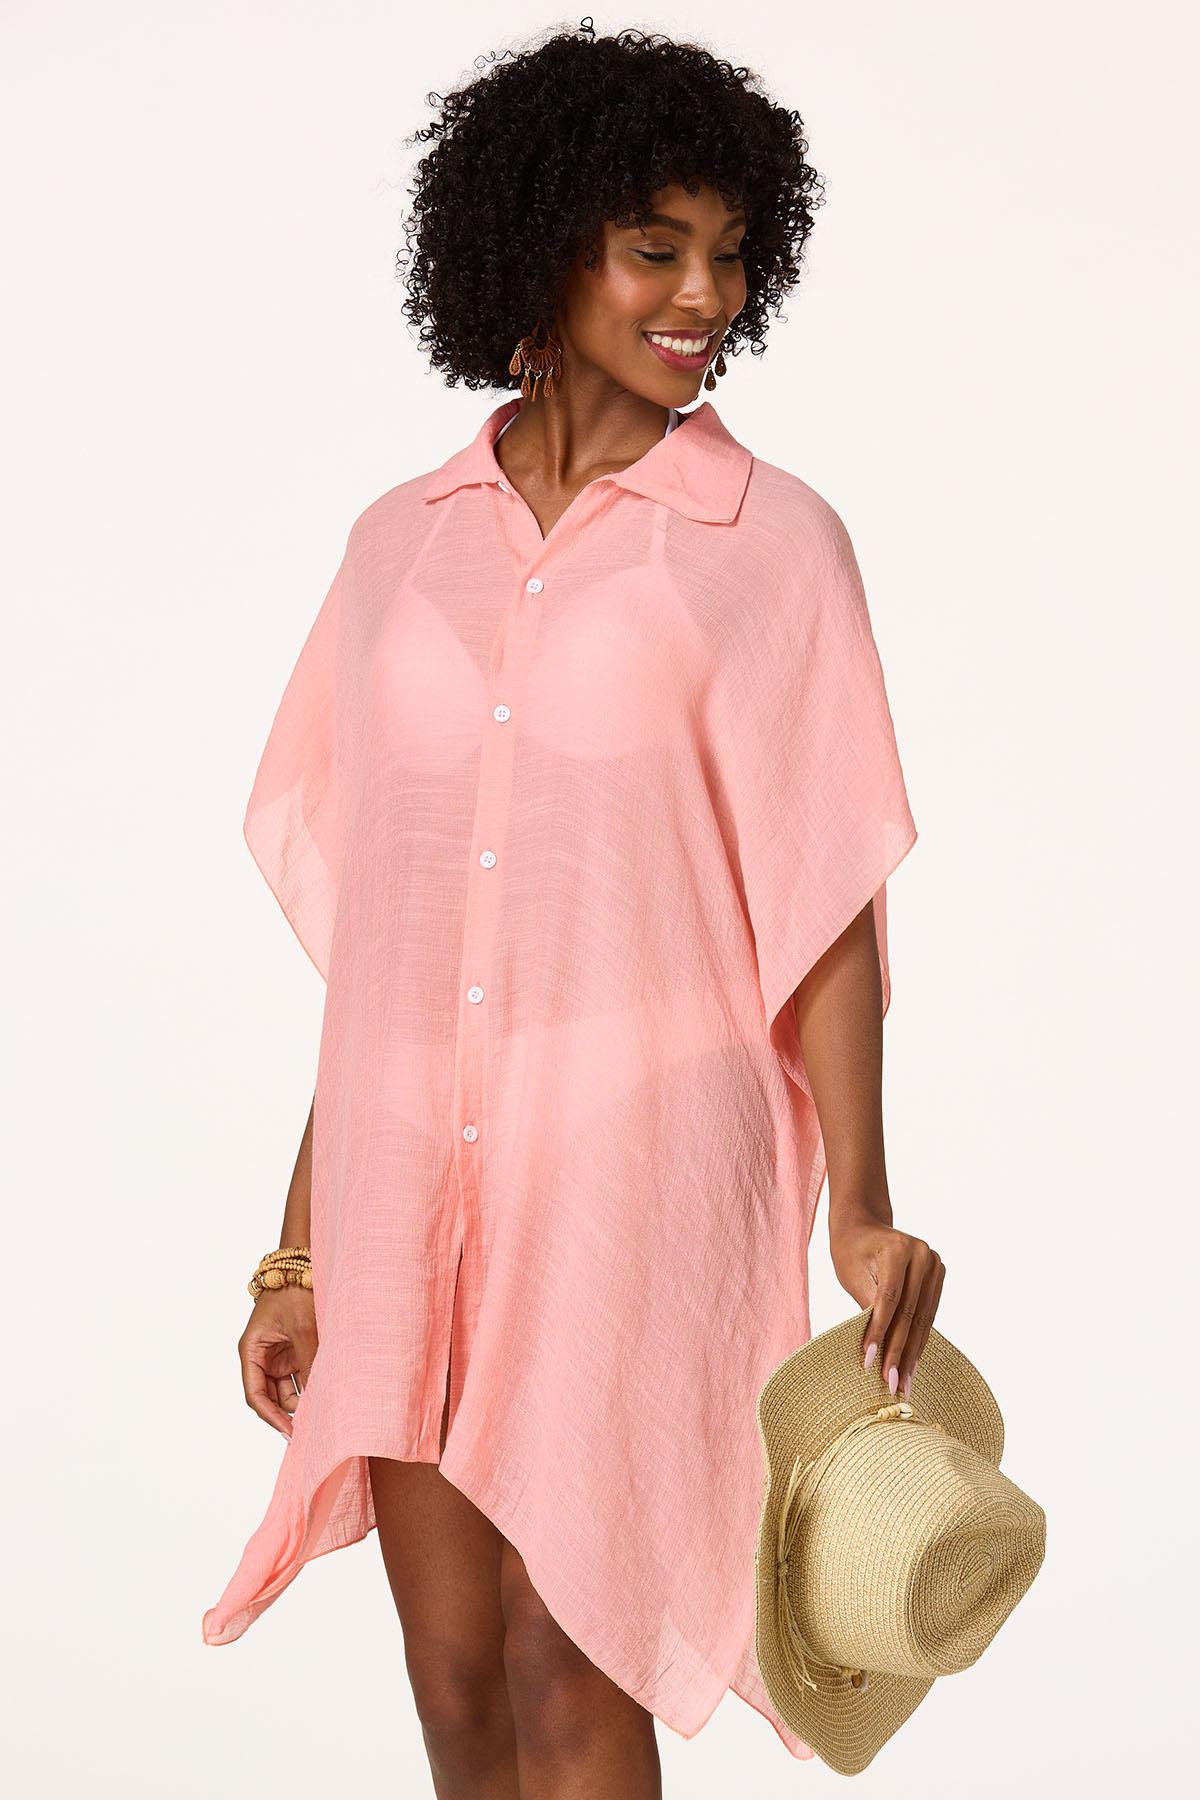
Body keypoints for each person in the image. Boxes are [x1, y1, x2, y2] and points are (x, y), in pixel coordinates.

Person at [202, 18, 946, 1794]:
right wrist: (298, 1251)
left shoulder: (770, 545)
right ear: (541, 246)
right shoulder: (401, 542)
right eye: (654, 248)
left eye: (731, 254)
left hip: (635, 1167)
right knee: (455, 1674)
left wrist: (861, 1206)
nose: (705, 296)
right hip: (405, 1178)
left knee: (571, 1644)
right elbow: (389, 950)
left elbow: (827, 898)